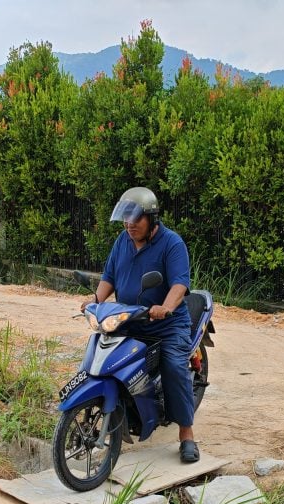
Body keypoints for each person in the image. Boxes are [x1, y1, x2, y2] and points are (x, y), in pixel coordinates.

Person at [80, 186, 200, 463]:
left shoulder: (172, 243)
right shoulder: (123, 240)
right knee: (104, 354)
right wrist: (95, 300)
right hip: (129, 318)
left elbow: (180, 282)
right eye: (126, 219)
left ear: (152, 218)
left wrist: (166, 307)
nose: (129, 224)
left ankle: (186, 433)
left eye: (136, 219)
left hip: (166, 324)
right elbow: (109, 276)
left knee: (172, 365)